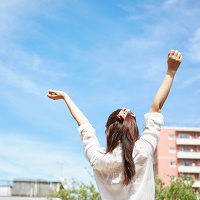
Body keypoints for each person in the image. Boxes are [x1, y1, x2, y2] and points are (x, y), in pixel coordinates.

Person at [47, 50, 182, 200]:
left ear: (108, 130)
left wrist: (66, 97)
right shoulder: (142, 150)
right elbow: (156, 108)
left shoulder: (98, 158)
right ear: (133, 130)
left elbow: (85, 126)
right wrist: (171, 71)